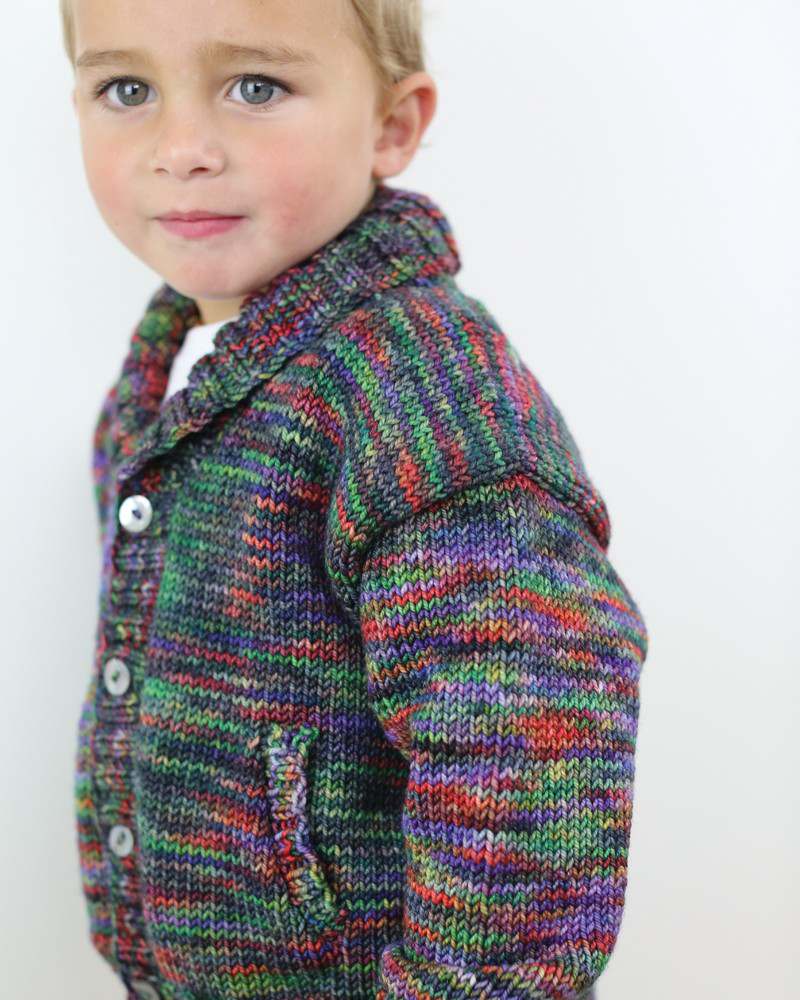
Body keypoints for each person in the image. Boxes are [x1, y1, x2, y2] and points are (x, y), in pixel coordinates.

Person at [63, 1, 648, 998]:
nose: (181, 148)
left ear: (392, 124)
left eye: (255, 87)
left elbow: (525, 744)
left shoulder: (423, 395)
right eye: (127, 89)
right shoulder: (171, 367)